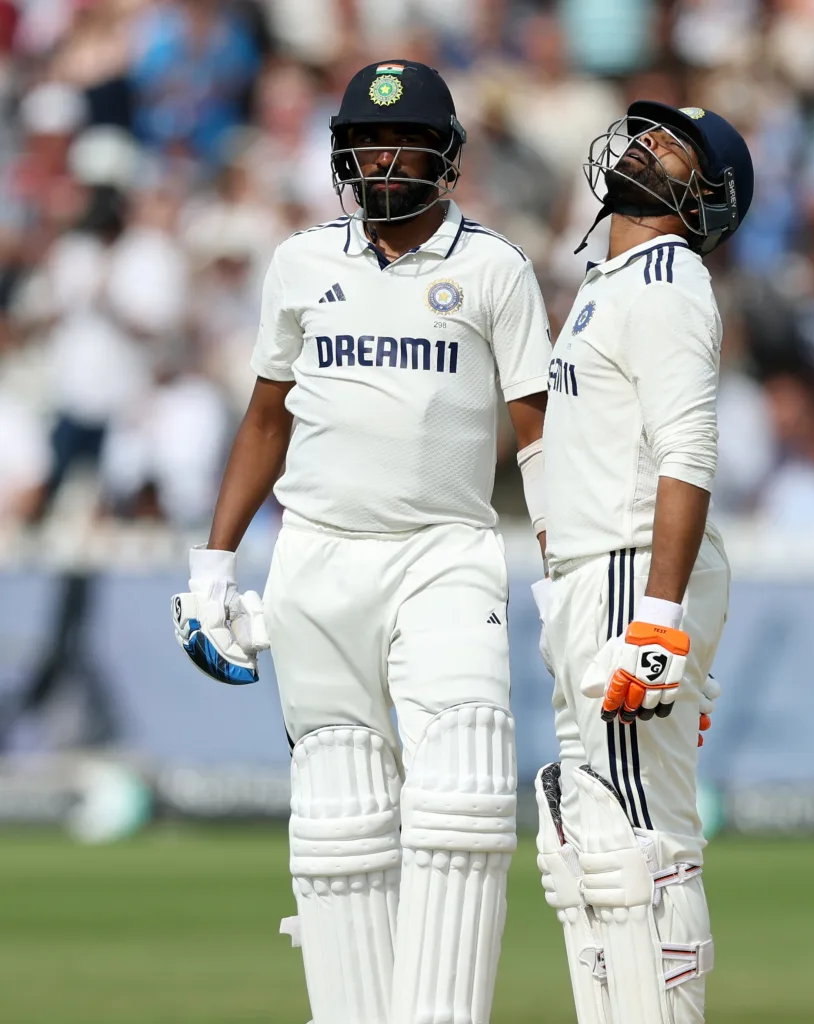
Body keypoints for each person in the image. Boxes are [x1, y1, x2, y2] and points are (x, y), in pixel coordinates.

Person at [171, 61, 550, 1024]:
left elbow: (538, 435)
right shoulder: (302, 263)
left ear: (446, 154)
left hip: (446, 551)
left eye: (406, 143)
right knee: (338, 823)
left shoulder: (493, 268)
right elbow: (267, 417)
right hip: (317, 557)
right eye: (366, 144)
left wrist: (570, 567)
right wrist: (213, 567)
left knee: (463, 790)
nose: (384, 161)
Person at [532, 102, 753, 1024]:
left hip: (635, 570)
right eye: (648, 133)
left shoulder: (669, 278)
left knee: (641, 839)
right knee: (586, 841)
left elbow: (689, 451)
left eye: (673, 147)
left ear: (706, 198)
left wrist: (658, 615)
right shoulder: (610, 280)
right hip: (595, 570)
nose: (645, 145)